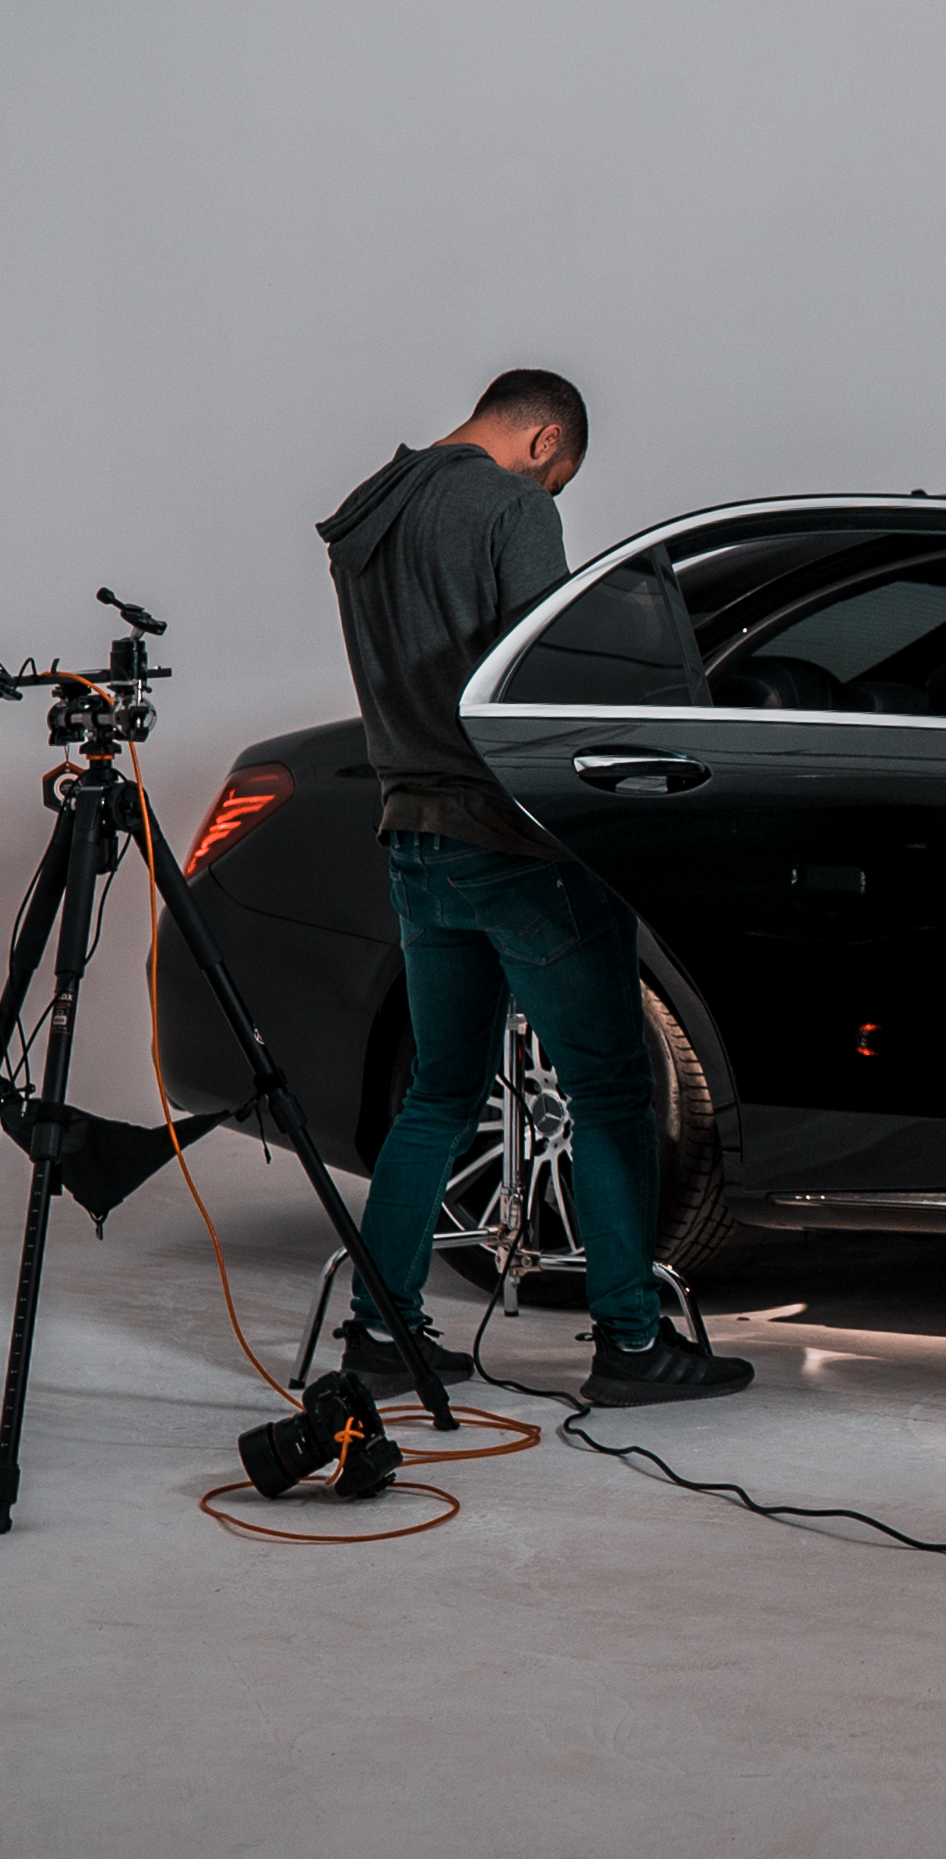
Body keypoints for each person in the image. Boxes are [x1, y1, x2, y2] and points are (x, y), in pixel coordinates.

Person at [316, 368, 753, 1407]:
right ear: (545, 439)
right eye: (558, 479)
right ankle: (632, 1346)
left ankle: (381, 1338)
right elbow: (539, 687)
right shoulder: (510, 507)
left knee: (436, 1093)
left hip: (412, 835)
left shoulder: (368, 517)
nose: (550, 496)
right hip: (516, 844)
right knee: (609, 1088)